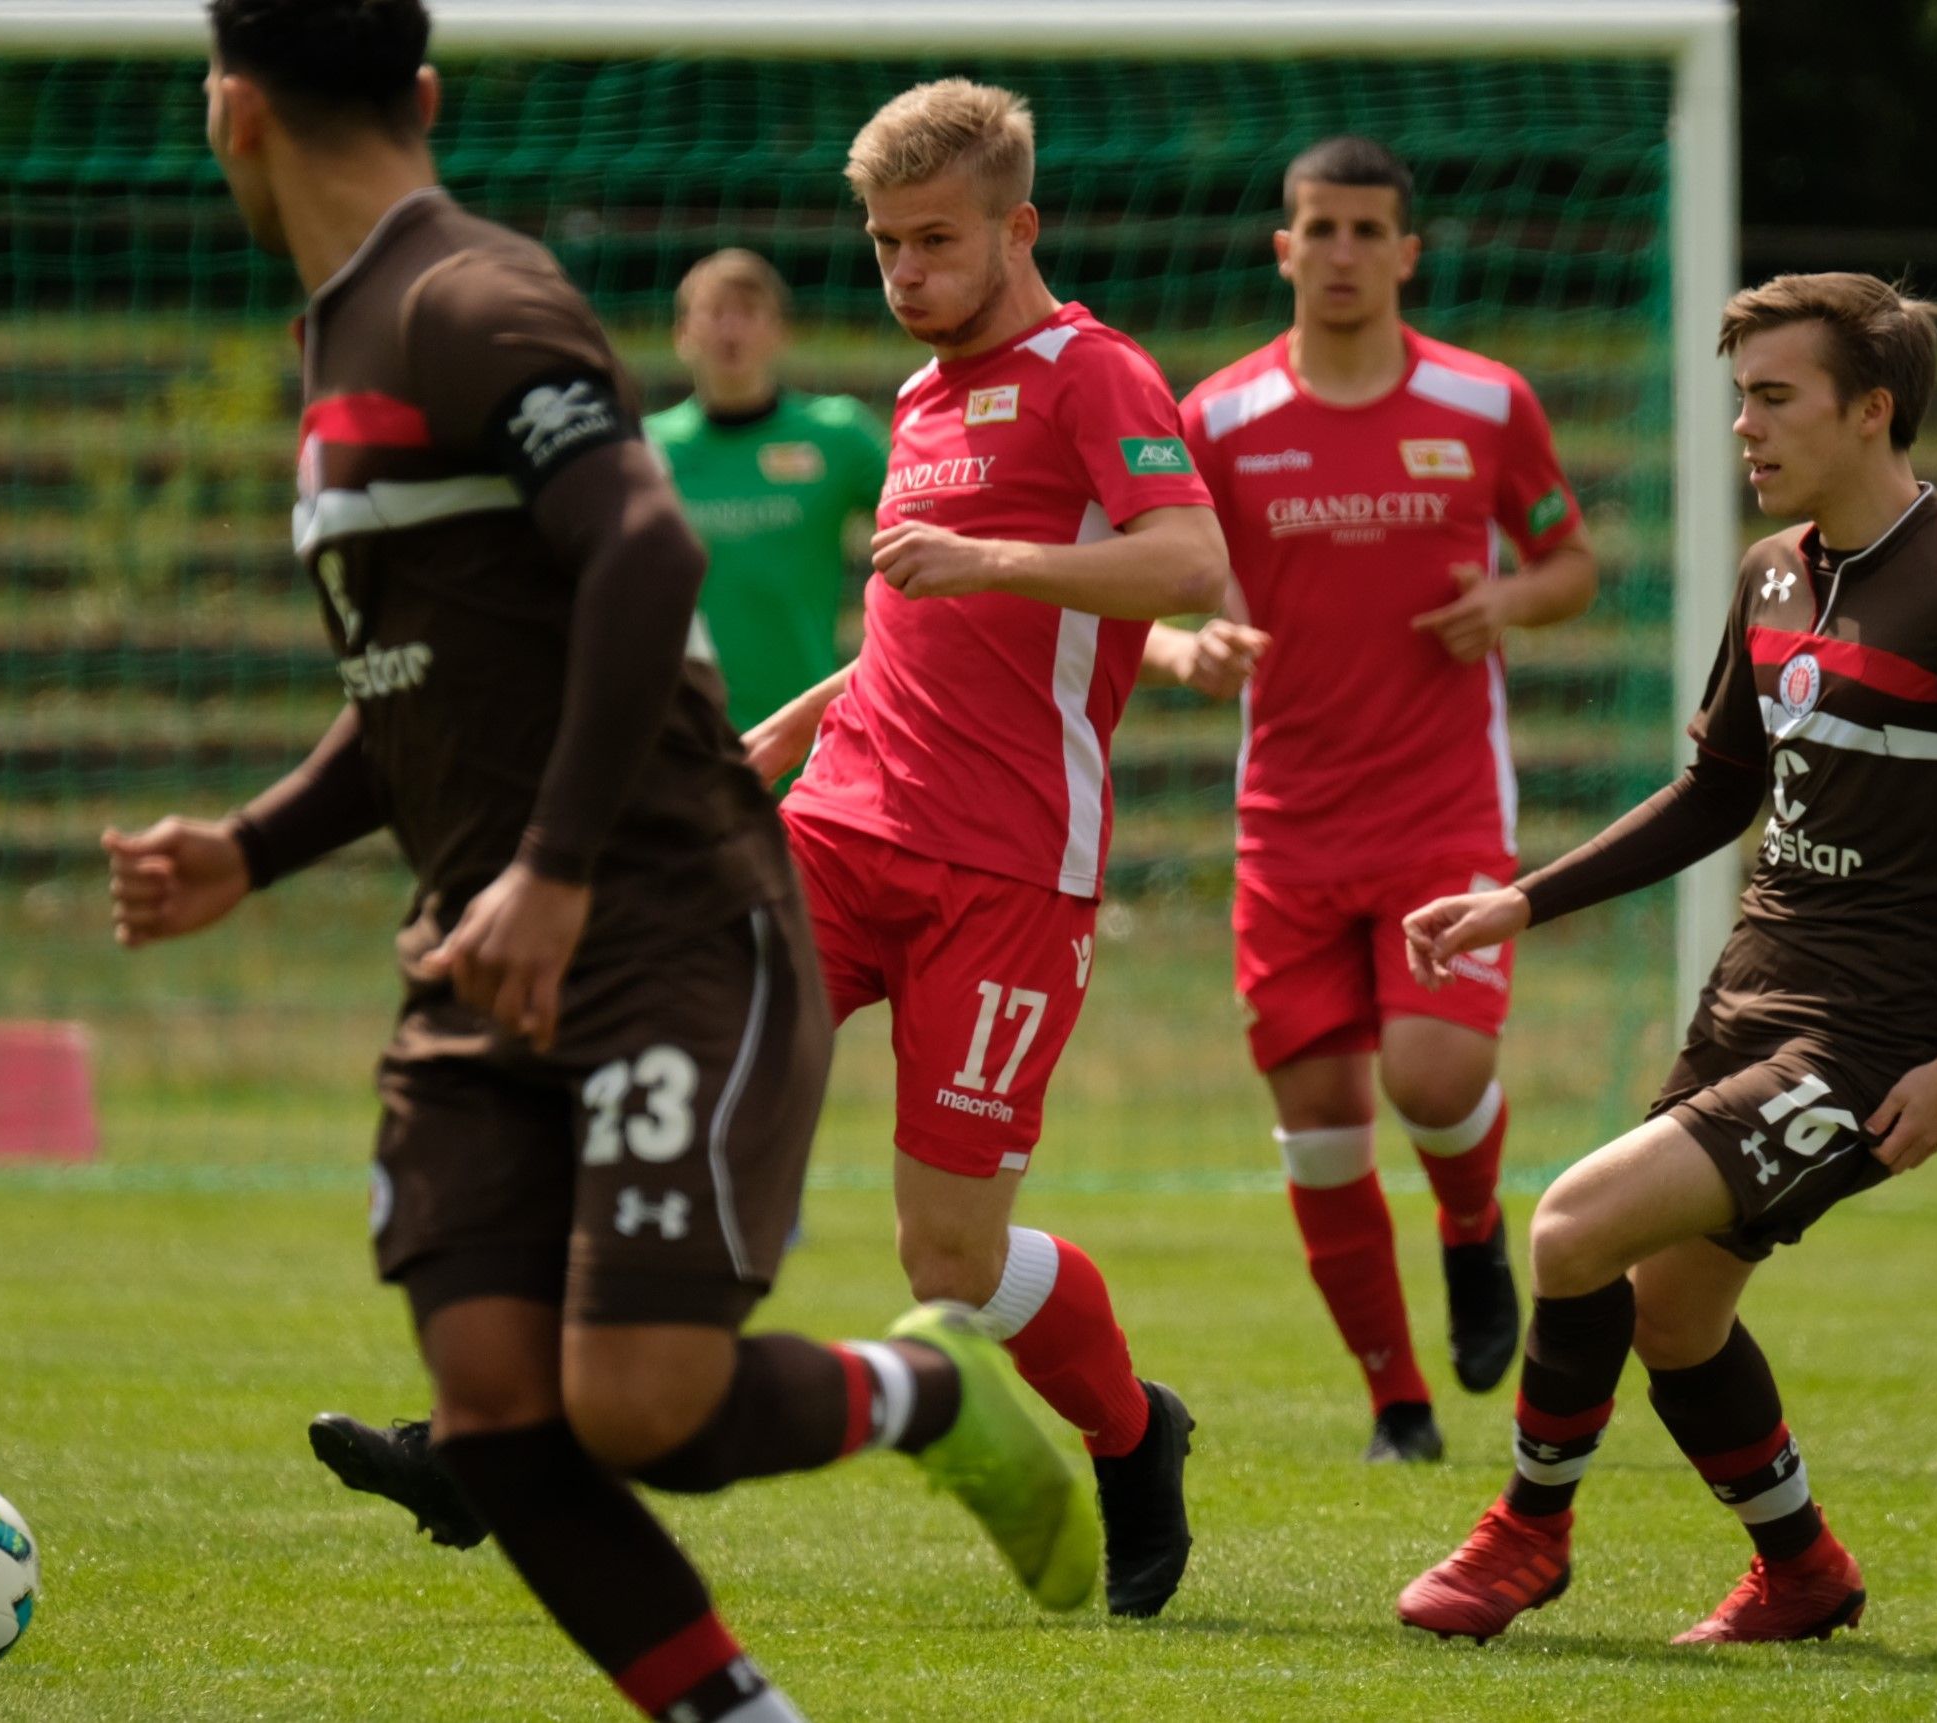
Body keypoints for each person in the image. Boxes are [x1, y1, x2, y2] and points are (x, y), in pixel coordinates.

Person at [108, 7, 1096, 1718]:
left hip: (649, 910)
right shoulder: (341, 333)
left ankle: (923, 1392)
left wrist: (559, 863)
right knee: (492, 1411)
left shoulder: (469, 301)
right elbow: (428, 686)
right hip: (480, 938)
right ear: (417, 90)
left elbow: (643, 553)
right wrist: (254, 847)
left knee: (639, 1402)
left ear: (231, 112)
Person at [303, 78, 1224, 1622]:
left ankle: (1135, 1434)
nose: (906, 275)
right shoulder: (924, 401)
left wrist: (989, 556)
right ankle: (480, 1446)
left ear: (1022, 228)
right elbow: (915, 623)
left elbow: (1188, 560)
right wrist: (810, 711)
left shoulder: (1094, 373)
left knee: (953, 1252)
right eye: (883, 246)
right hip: (839, 828)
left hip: (1011, 872)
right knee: (635, 1073)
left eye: (937, 241)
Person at [1395, 272, 1937, 1645]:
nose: (1746, 423)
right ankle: (1804, 1569)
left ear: (1872, 410)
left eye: (1775, 396)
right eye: (1742, 395)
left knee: (1572, 1226)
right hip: (1750, 999)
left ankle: (1526, 1531)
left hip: (1870, 1039)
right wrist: (1520, 903)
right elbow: (1716, 792)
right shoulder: (1776, 571)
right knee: (1672, 1310)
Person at [1148, 136, 1597, 1464]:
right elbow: (1168, 576)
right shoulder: (1217, 415)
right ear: (1283, 248)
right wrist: (1192, 640)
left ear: (1406, 252)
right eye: (1317, 228)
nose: (1340, 252)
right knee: (1321, 1126)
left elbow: (1568, 561)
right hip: (1286, 813)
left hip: (1443, 799)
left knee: (1432, 1067)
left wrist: (1507, 599)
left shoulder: (1484, 400)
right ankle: (1396, 1401)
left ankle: (1471, 1228)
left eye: (1365, 231)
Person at [647, 249, 887, 772]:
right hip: (682, 741)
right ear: (682, 334)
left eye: (749, 313)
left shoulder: (838, 436)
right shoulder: (646, 451)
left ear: (780, 332)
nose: (731, 330)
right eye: (715, 313)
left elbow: (929, 526)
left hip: (811, 735)